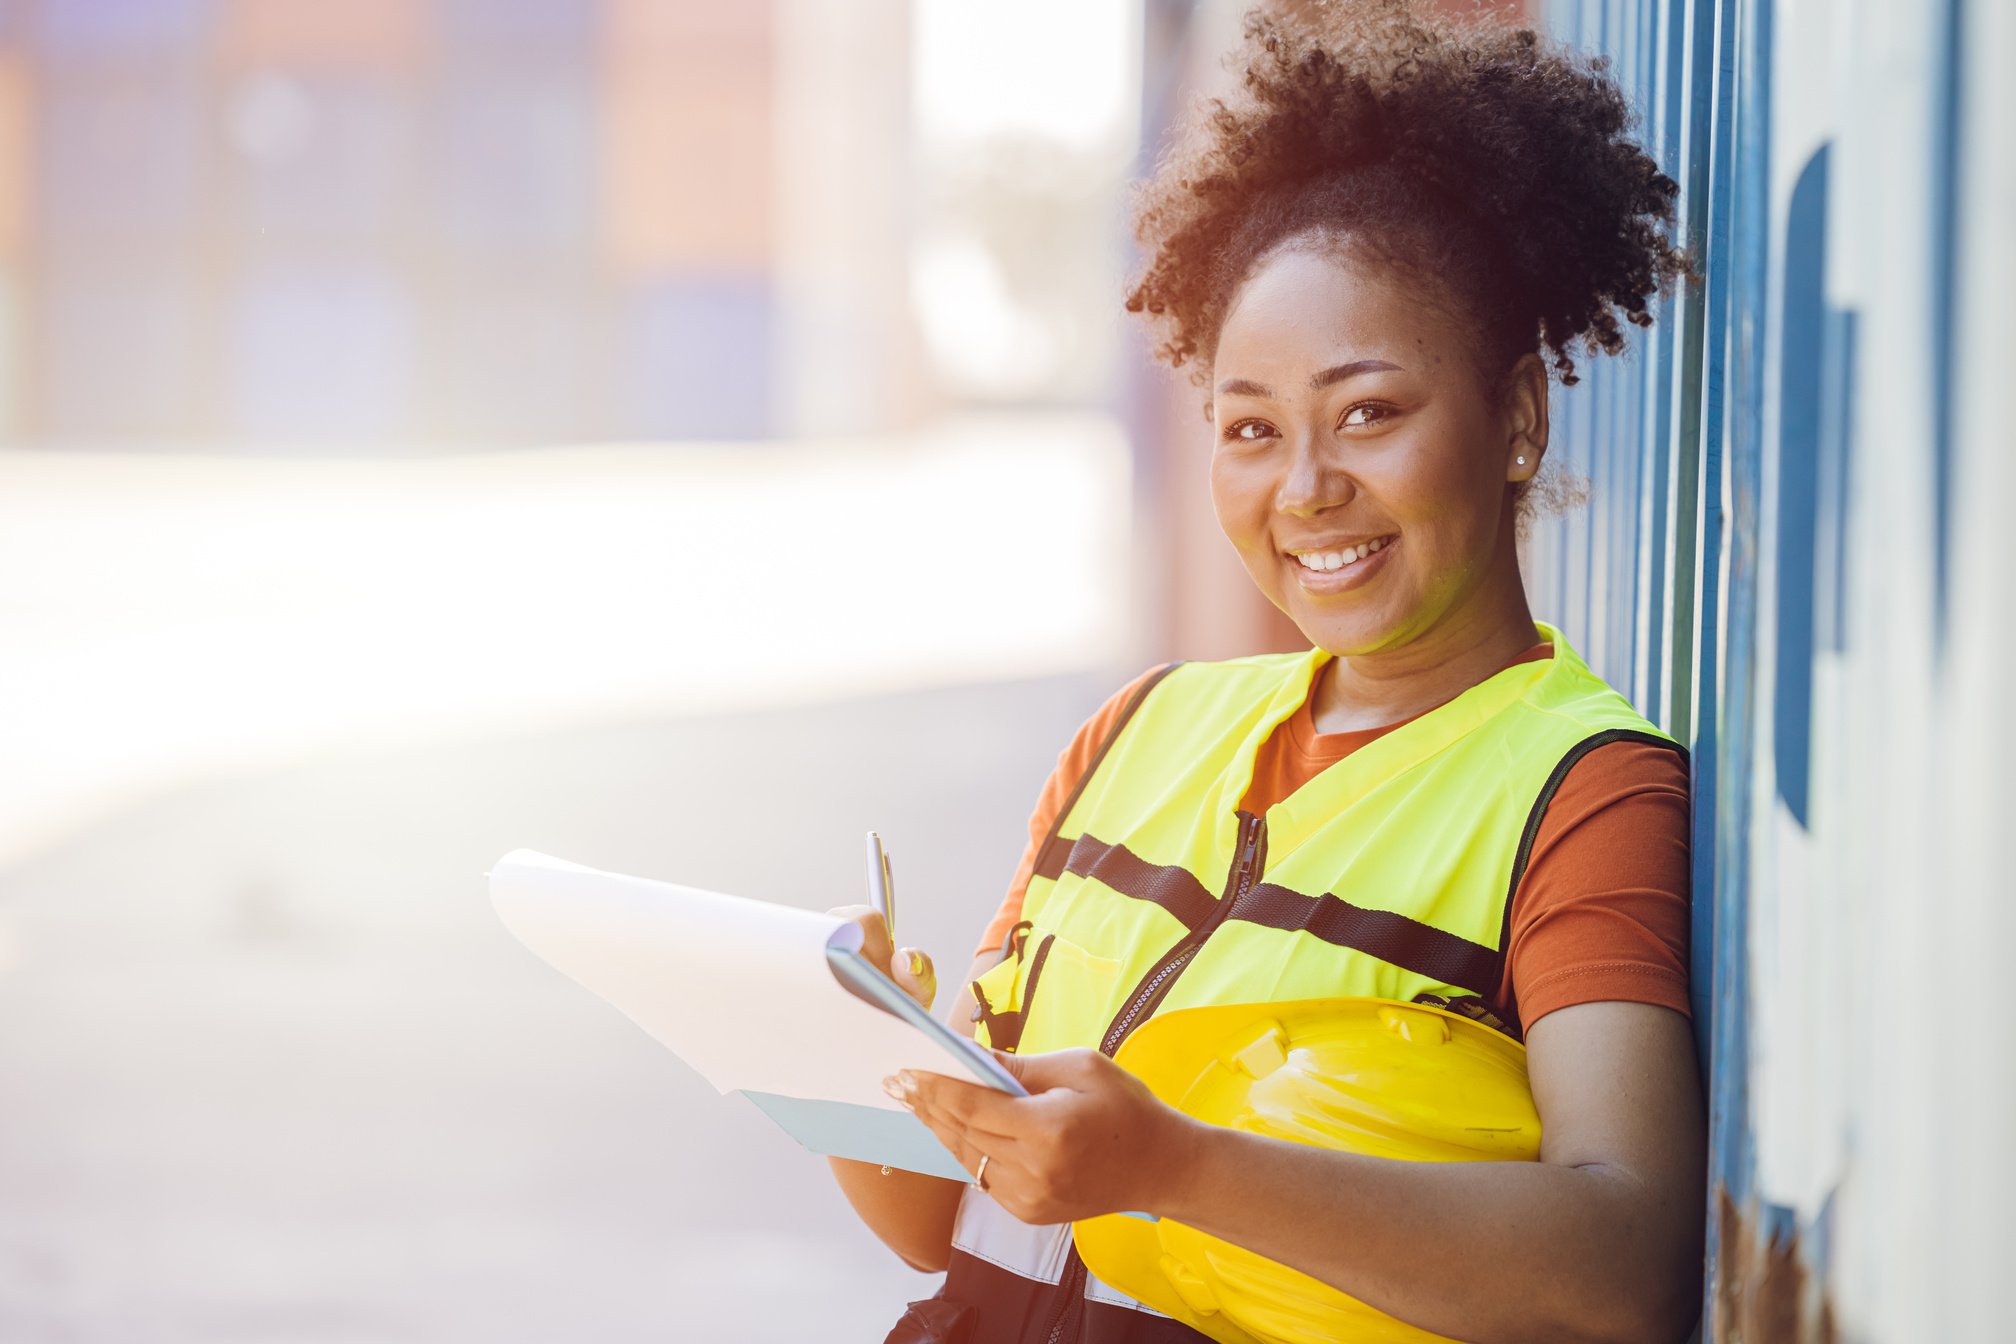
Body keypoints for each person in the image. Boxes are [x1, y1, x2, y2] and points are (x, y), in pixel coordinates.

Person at [828, 3, 1704, 1341]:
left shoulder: (1579, 794)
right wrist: (854, 1068)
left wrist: (1177, 1167)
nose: (1307, 489)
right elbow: (939, 1223)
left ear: (1516, 416)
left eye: (1370, 412)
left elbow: (1618, 1271)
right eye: (1251, 428)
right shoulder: (1138, 732)